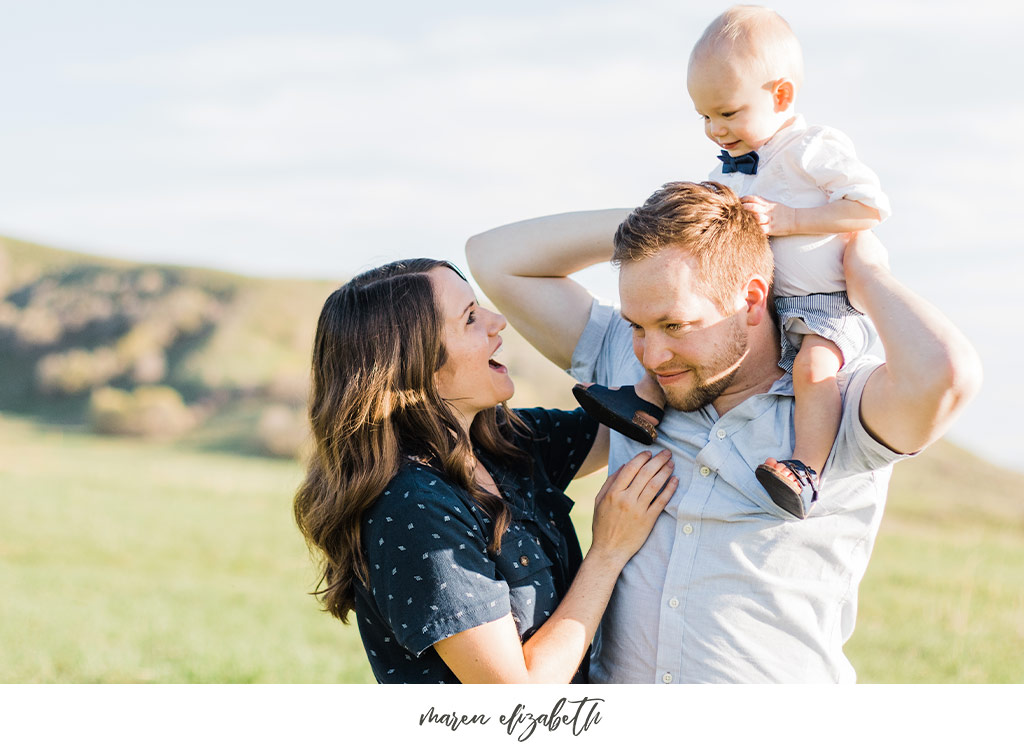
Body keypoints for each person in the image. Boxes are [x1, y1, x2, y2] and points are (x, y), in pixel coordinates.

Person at [466, 181, 981, 682]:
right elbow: (493, 256)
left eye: (675, 325)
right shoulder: (627, 361)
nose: (652, 353)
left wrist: (865, 273)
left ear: (752, 300)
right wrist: (684, 216)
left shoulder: (839, 404)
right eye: (637, 326)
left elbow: (949, 374)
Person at [292, 258, 677, 684]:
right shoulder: (413, 508)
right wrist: (608, 553)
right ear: (416, 364)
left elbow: (626, 422)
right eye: (471, 318)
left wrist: (670, 246)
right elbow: (517, 700)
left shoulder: (503, 443)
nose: (498, 322)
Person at [571, 6, 889, 518]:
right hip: (765, 301)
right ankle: (642, 404)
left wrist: (788, 219)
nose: (715, 130)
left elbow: (871, 208)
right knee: (669, 343)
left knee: (812, 372)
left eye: (728, 112)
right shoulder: (736, 169)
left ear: (780, 96)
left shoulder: (812, 149)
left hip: (823, 305)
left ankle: (805, 470)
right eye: (704, 116)